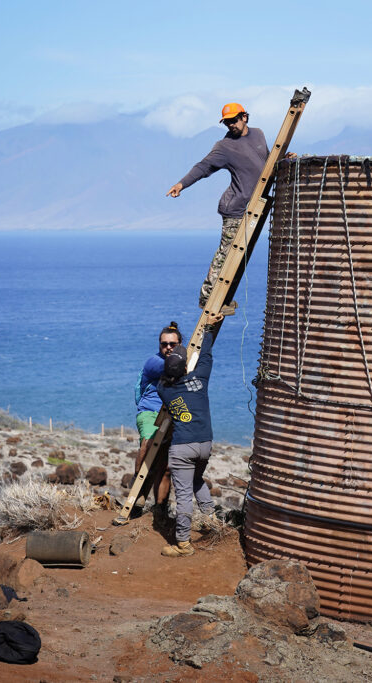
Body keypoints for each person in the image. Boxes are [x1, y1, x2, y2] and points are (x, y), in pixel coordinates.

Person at [167, 102, 268, 308]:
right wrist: (181, 184)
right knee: (226, 254)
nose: (230, 125)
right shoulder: (224, 147)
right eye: (227, 122)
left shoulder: (258, 134)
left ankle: (223, 299)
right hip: (235, 207)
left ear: (244, 117)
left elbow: (266, 160)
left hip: (254, 207)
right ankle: (207, 299)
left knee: (239, 257)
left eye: (233, 120)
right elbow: (203, 167)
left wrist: (285, 157)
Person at [156, 312, 224, 557]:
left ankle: (183, 543)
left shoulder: (163, 389)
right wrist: (209, 329)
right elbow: (206, 354)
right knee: (197, 481)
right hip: (205, 444)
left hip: (182, 447)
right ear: (186, 367)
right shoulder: (201, 378)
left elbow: (164, 376)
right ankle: (211, 521)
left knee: (183, 494)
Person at [133, 322, 179, 522]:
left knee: (166, 466)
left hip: (172, 414)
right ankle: (137, 494)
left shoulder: (179, 359)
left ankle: (161, 508)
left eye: (172, 344)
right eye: (164, 344)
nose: (168, 347)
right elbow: (176, 368)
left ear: (179, 344)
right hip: (150, 412)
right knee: (148, 443)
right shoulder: (153, 362)